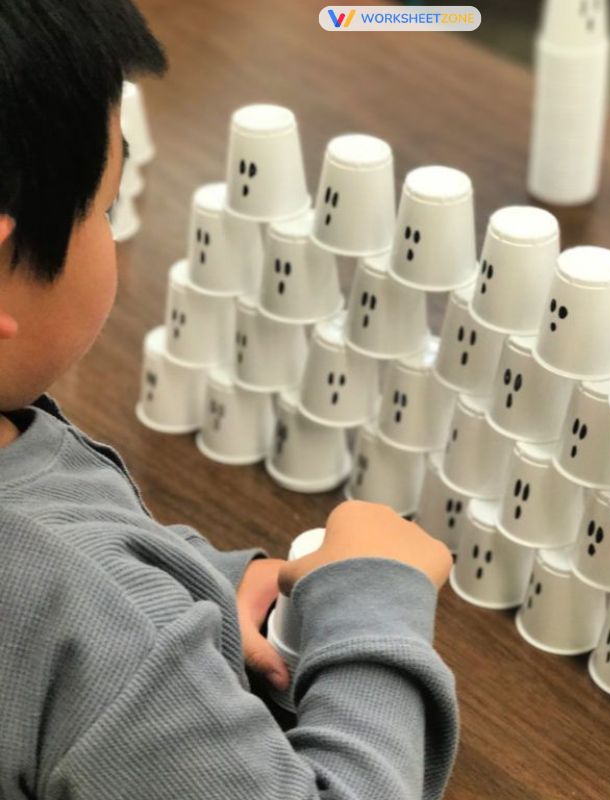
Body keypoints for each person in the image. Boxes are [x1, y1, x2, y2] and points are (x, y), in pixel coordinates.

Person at [0, 1, 459, 798]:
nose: (113, 225)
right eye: (104, 208)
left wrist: (188, 583)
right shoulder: (90, 619)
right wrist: (374, 605)